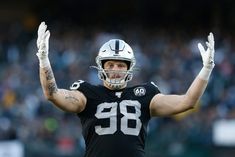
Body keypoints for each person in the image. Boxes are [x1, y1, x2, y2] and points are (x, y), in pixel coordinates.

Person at [36, 21, 215, 157]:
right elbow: (52, 94)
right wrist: (44, 59)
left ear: (129, 68)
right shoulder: (88, 93)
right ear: (101, 66)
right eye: (111, 64)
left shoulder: (145, 94)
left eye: (121, 65)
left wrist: (206, 69)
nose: (115, 70)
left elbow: (188, 101)